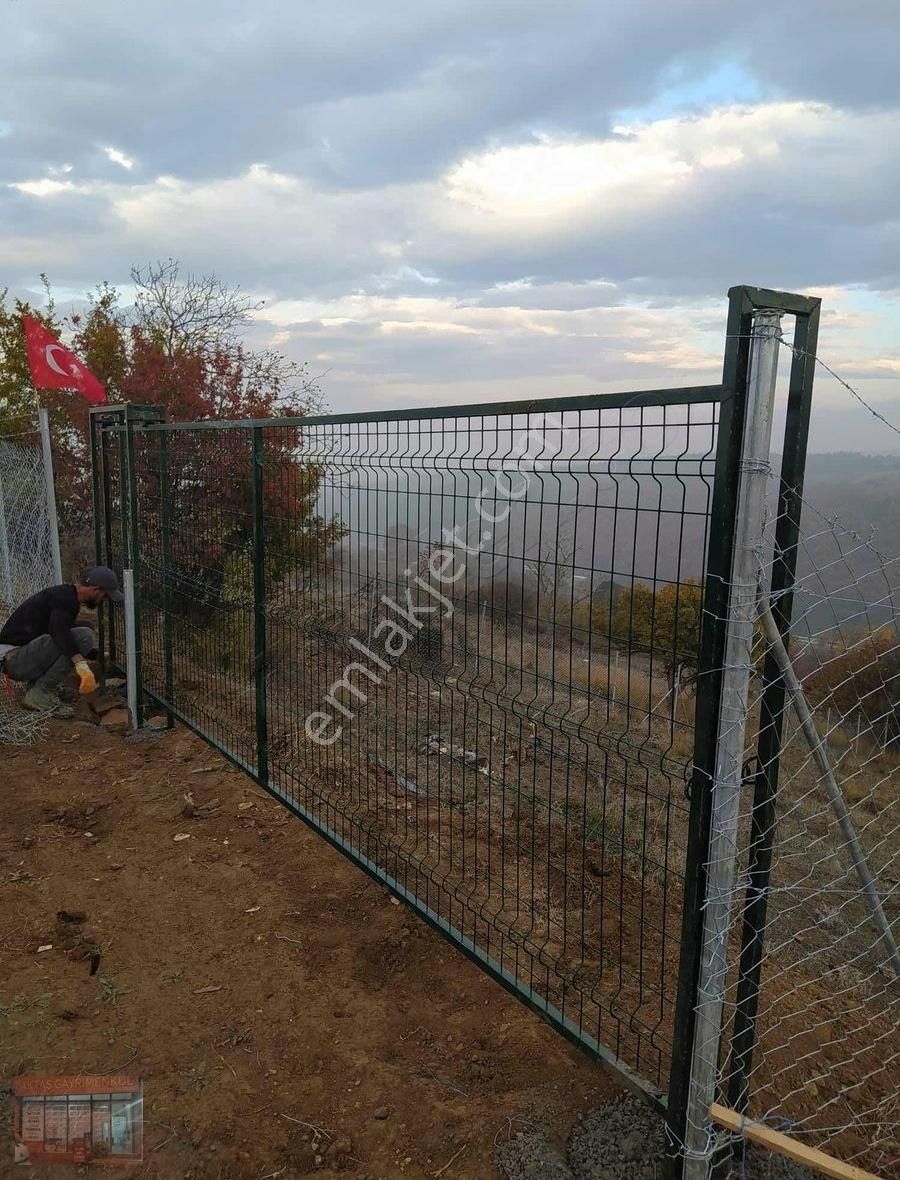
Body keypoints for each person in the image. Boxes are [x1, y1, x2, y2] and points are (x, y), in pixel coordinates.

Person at [0, 566, 123, 718]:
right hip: (15, 660)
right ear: (95, 589)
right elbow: (58, 631)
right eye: (104, 596)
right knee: (84, 635)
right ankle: (40, 694)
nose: (103, 601)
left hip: (19, 657)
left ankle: (38, 685)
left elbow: (60, 633)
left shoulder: (66, 596)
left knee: (84, 628)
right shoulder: (66, 600)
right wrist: (80, 662)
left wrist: (94, 654)